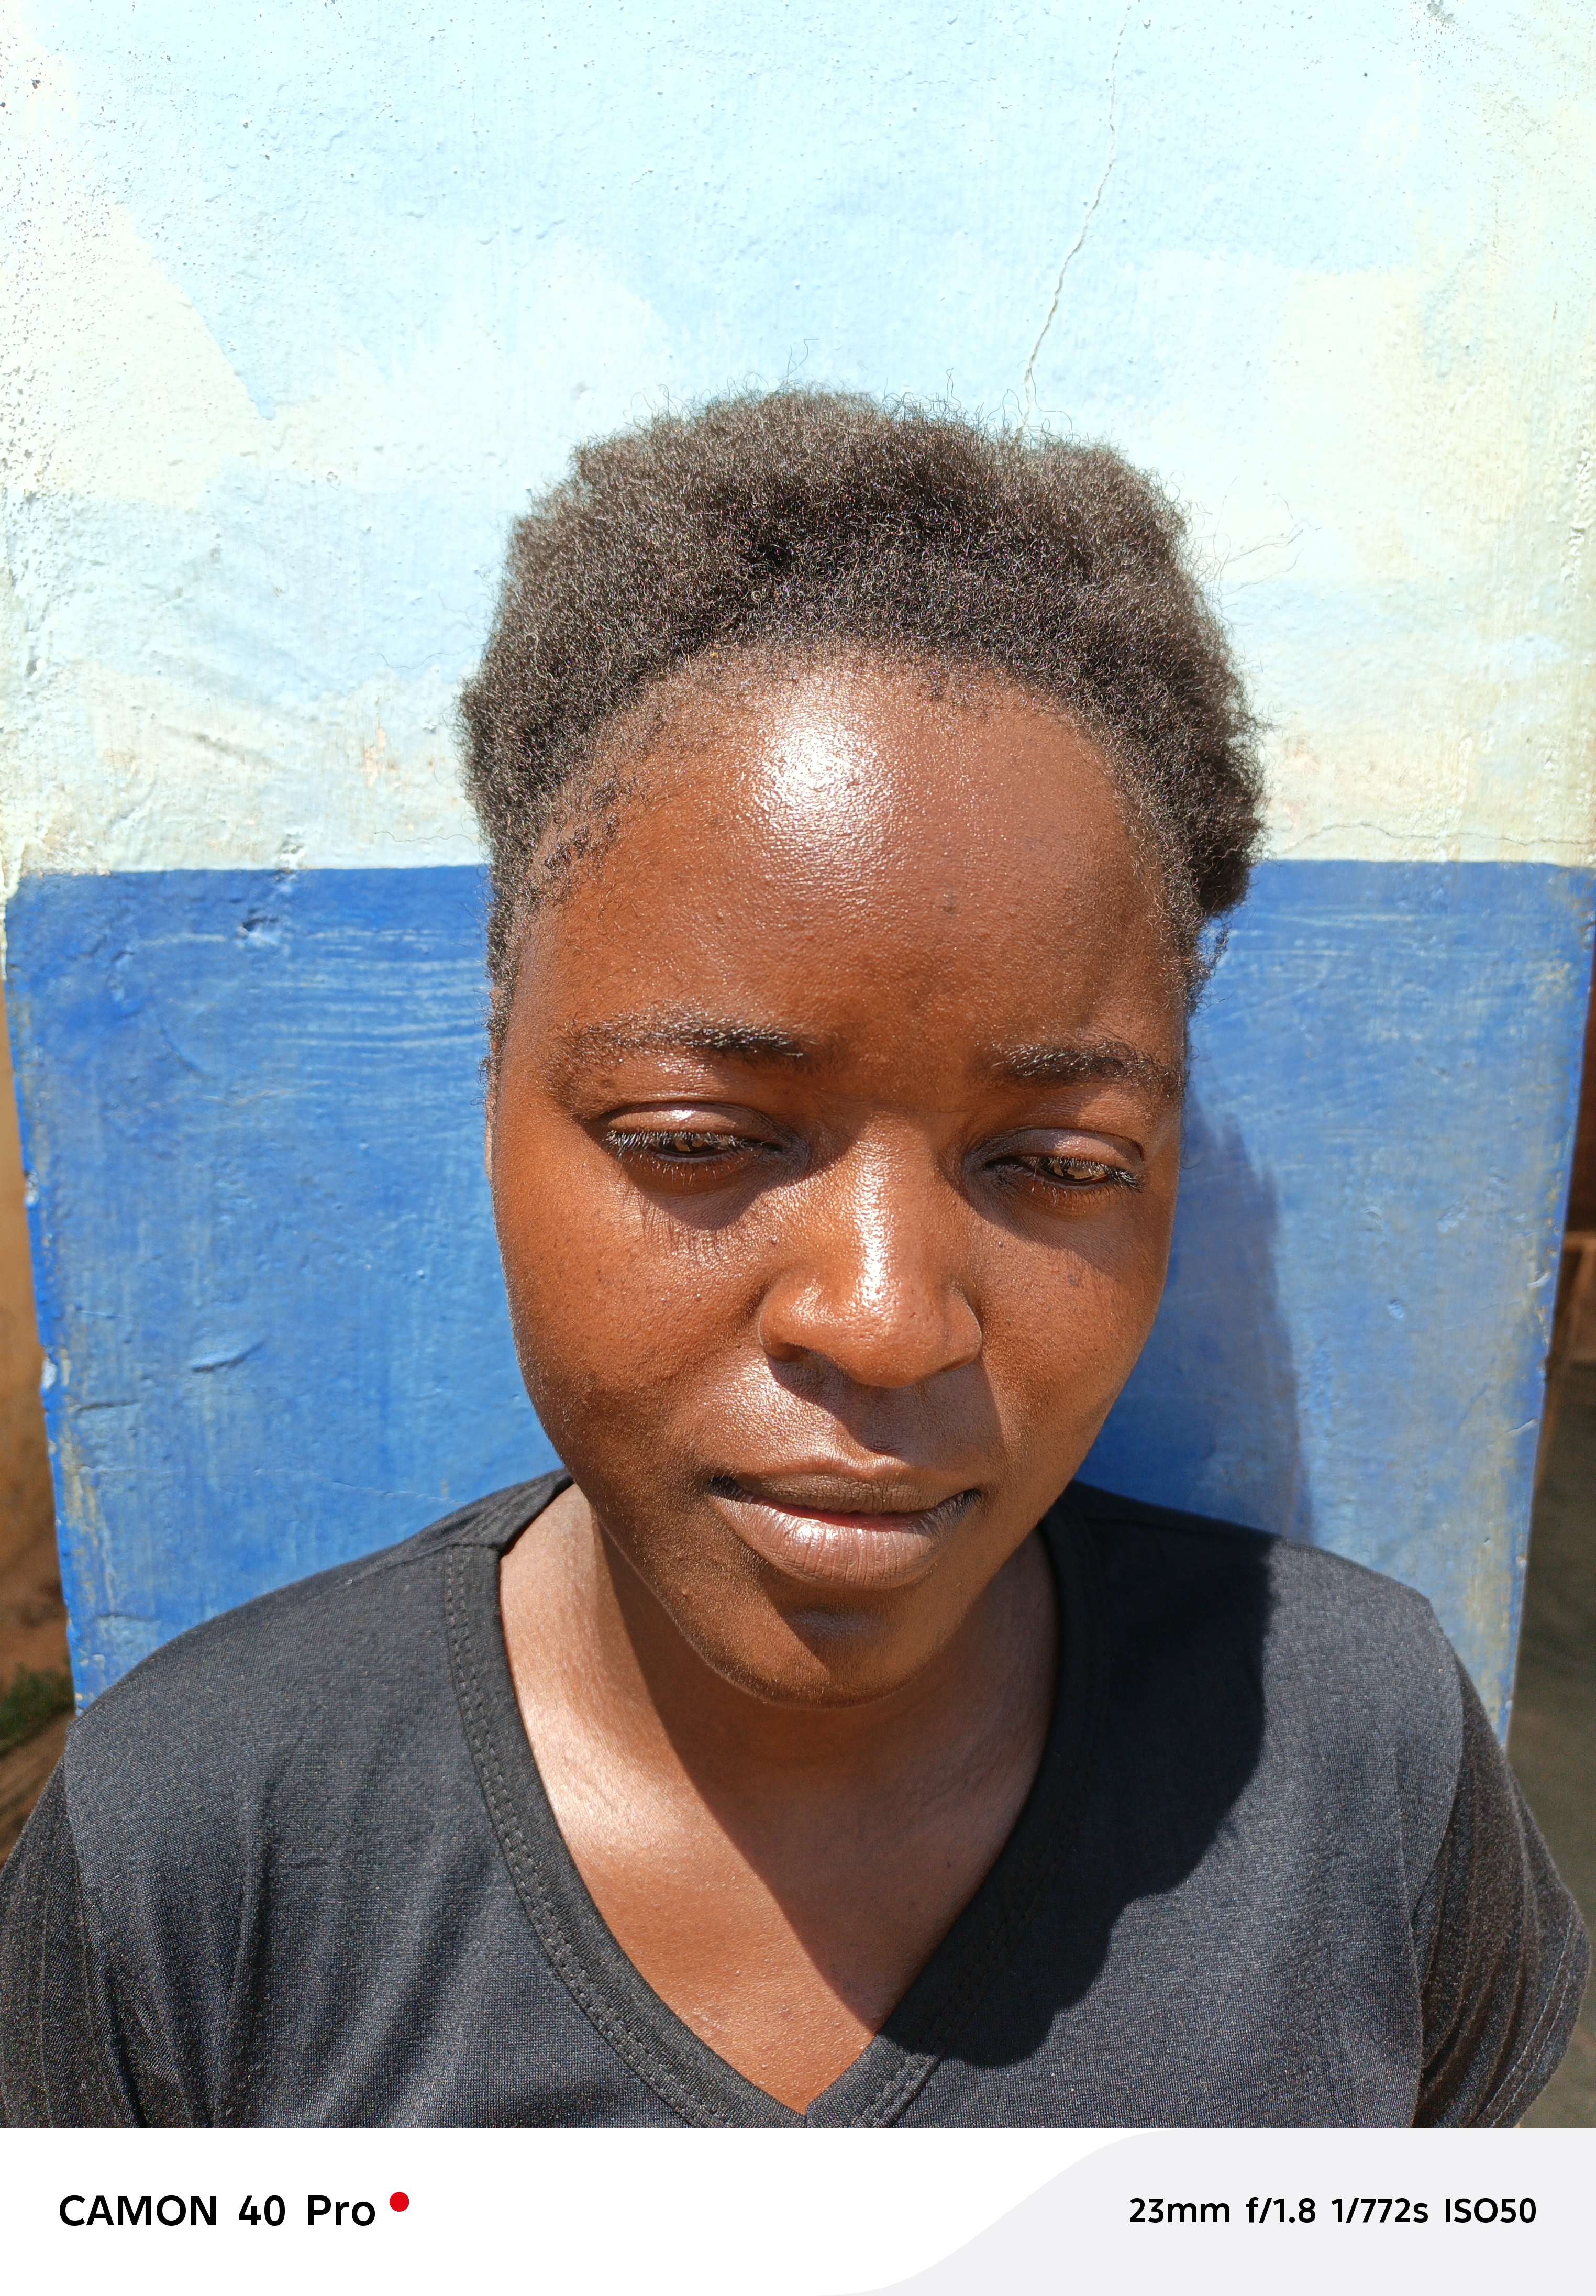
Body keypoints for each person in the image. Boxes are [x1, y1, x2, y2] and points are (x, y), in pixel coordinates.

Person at [0, 392, 1585, 2127]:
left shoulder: (1364, 1768)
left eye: (1061, 1166)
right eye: (697, 1141)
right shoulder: (200, 1850)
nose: (890, 1323)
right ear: (492, 1105)